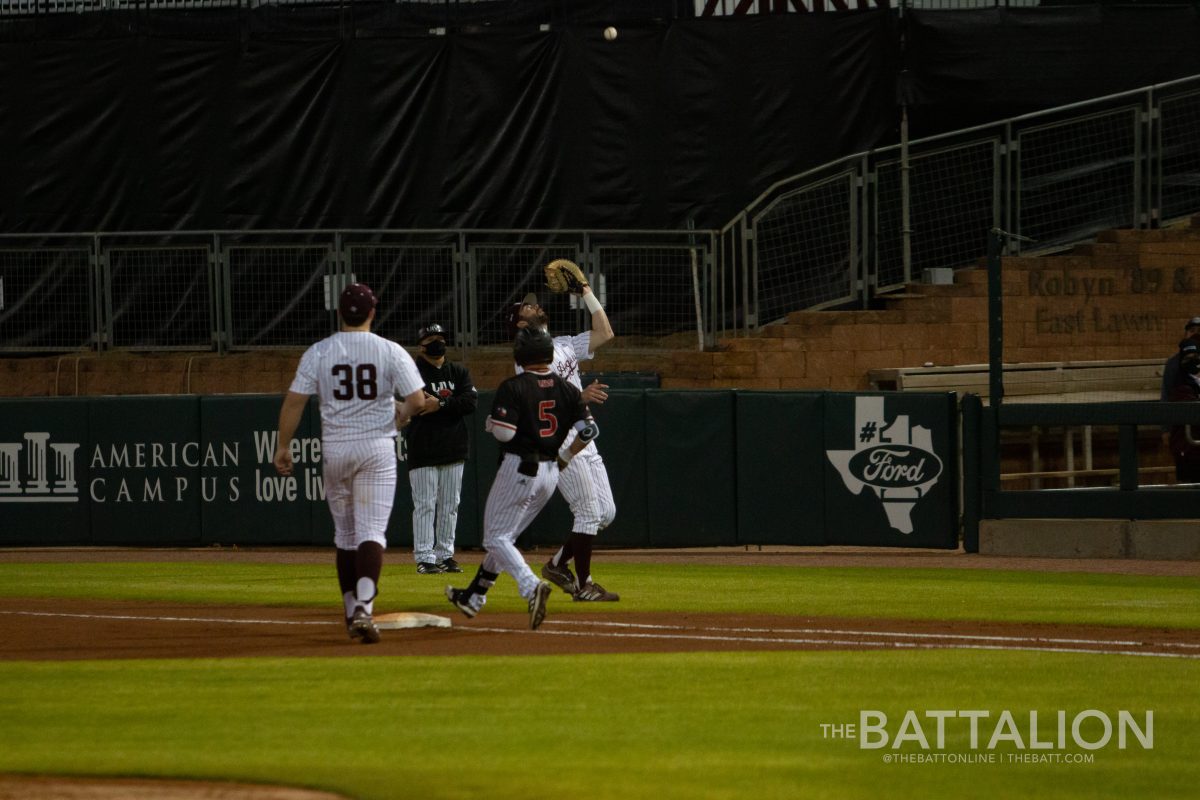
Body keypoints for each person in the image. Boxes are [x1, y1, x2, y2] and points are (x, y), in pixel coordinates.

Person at [274, 283, 425, 645]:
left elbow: (295, 401)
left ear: (340, 313)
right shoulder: (390, 350)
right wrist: (401, 415)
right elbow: (418, 400)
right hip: (376, 448)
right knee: (371, 532)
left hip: (337, 449)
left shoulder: (319, 351)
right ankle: (364, 610)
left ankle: (349, 610)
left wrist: (282, 447)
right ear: (373, 312)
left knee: (345, 535)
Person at [445, 328, 596, 630]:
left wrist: (491, 424)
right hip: (552, 472)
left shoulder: (514, 386)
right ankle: (475, 596)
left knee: (495, 537)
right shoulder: (568, 389)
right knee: (506, 538)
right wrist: (565, 456)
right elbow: (589, 431)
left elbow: (504, 433)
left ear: (521, 355)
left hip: (520, 467)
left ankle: (530, 586)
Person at [505, 283, 620, 602]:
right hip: (561, 440)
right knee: (587, 511)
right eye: (527, 308)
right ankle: (585, 585)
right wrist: (578, 396)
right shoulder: (525, 358)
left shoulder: (564, 344)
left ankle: (557, 565)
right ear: (520, 324)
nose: (534, 307)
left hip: (585, 436)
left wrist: (586, 292)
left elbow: (605, 332)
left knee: (605, 513)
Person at [404, 323, 478, 574]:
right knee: (425, 504)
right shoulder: (412, 372)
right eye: (431, 338)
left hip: (453, 445)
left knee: (450, 505)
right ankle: (425, 557)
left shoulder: (458, 371)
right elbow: (418, 405)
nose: (437, 342)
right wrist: (447, 405)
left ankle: (445, 555)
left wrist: (443, 404)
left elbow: (470, 402)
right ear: (421, 344)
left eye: (440, 337)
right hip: (423, 446)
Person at [1167, 339, 1200, 483]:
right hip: (1187, 451)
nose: (1192, 361)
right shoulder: (1180, 384)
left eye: (1195, 357)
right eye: (1187, 358)